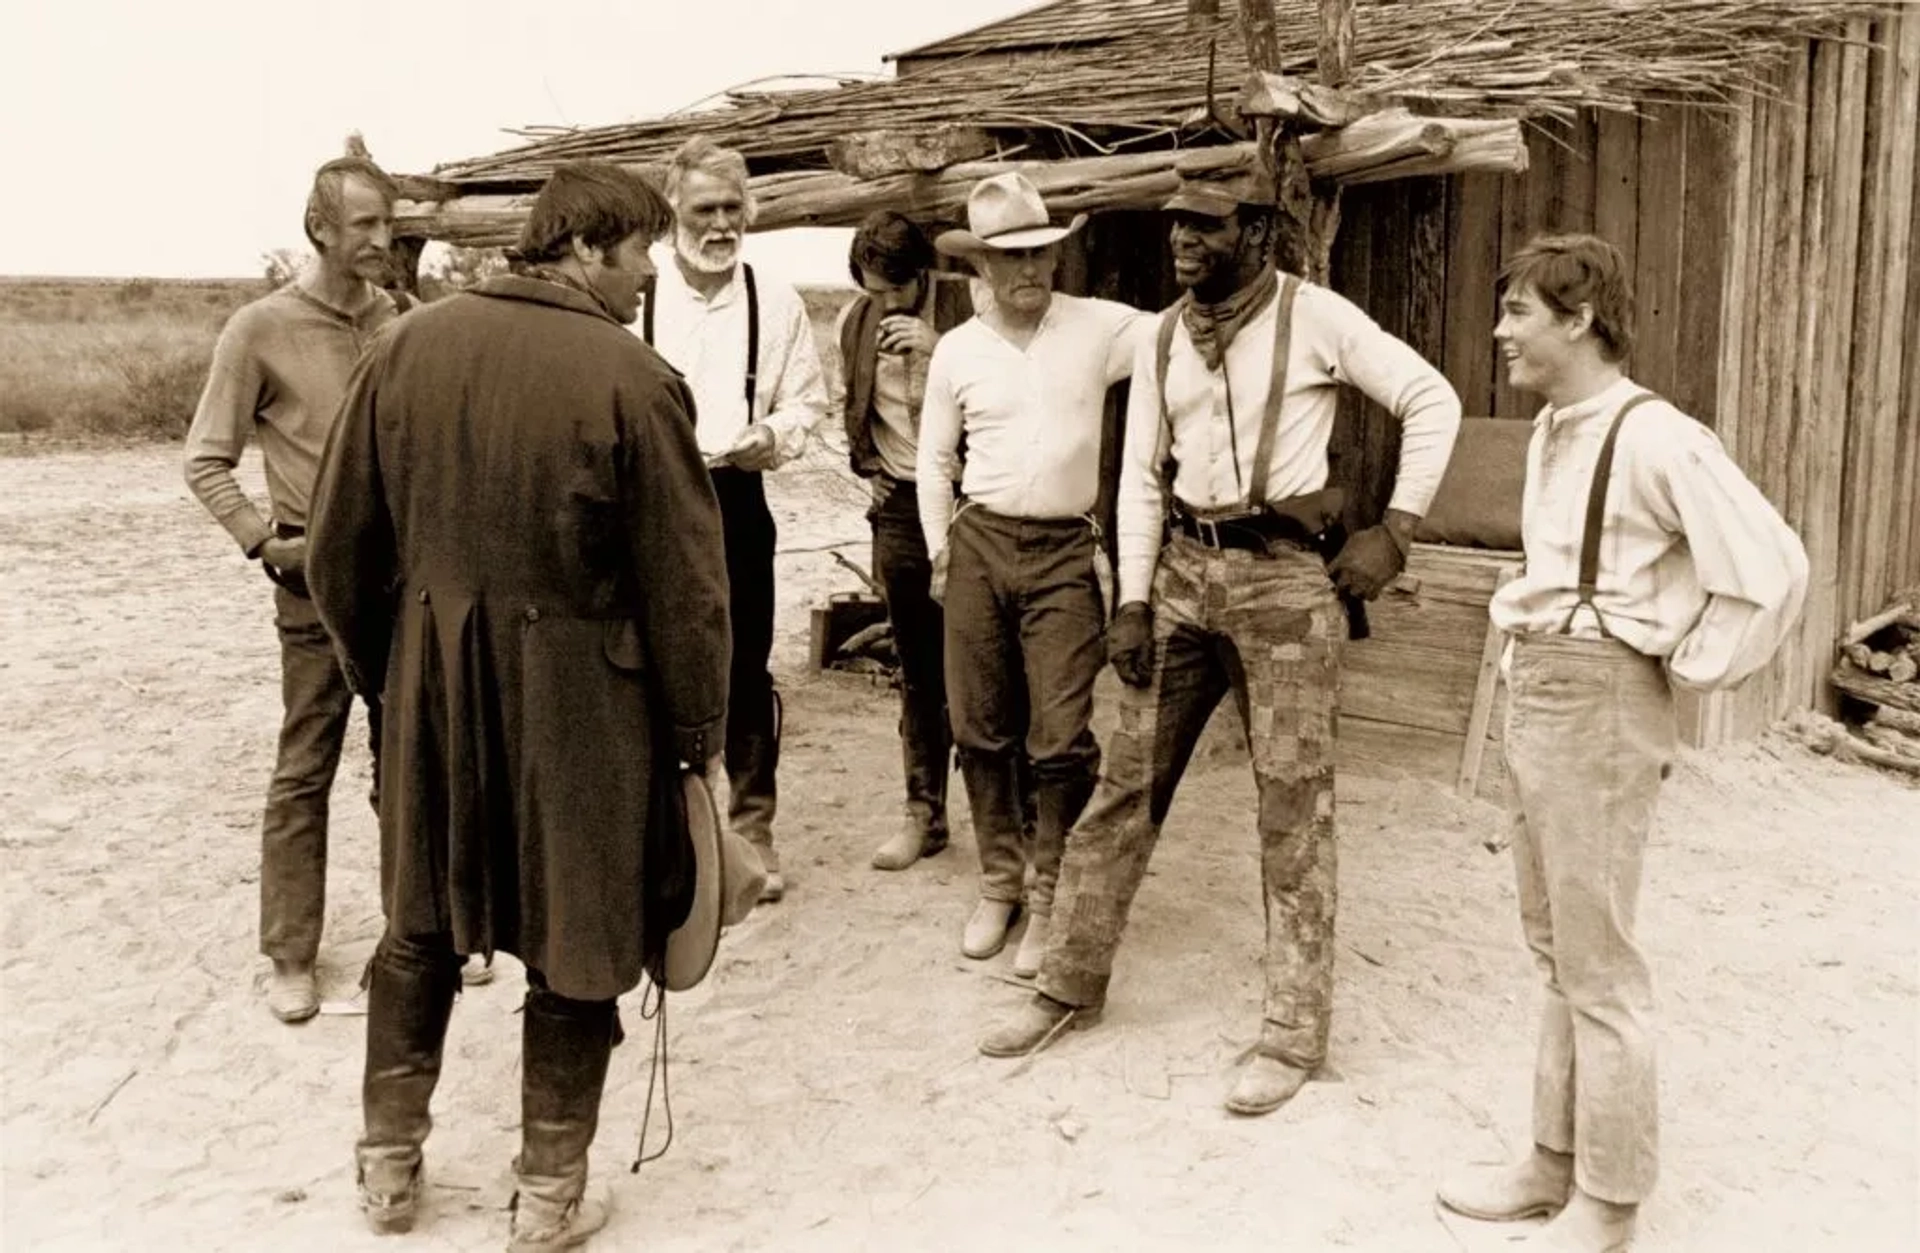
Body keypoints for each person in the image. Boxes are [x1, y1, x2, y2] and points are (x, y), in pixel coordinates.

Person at [977, 159, 1464, 1118]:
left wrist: (1395, 532)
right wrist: (1131, 600)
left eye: (1205, 227)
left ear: (1256, 233)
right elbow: (1142, 478)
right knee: (1124, 787)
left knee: (1293, 806)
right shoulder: (1164, 335)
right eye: (1175, 228)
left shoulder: (1317, 317)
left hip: (1286, 583)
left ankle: (1291, 1035)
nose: (1183, 244)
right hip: (1183, 582)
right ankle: (1068, 983)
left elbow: (1431, 400)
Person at [306, 161, 734, 1248]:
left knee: (418, 922)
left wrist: (391, 682)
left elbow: (336, 552)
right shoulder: (636, 378)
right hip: (584, 705)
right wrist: (695, 740)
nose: (649, 274)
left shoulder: (405, 346)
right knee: (580, 933)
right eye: (640, 250)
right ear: (586, 248)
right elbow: (688, 594)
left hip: (430, 690)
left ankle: (388, 1168)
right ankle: (547, 1196)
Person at [1435, 234, 1807, 1252]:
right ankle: (1552, 1161)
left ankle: (1611, 1200)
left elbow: (1770, 566)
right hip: (1543, 683)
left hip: (1600, 698)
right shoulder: (1558, 425)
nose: (1500, 330)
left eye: (1518, 311)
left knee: (1601, 967)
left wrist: (1686, 665)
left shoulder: (1661, 438)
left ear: (1578, 318)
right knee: (1557, 948)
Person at [183, 153, 406, 1023]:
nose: (384, 242)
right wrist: (262, 542)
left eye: (389, 225)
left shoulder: (400, 321)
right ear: (320, 230)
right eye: (366, 228)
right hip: (311, 591)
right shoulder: (259, 328)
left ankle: (415, 939)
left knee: (409, 766)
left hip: (399, 585)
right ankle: (289, 954)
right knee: (304, 767)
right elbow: (205, 460)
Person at [918, 172, 1149, 978]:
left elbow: (1185, 333)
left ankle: (1051, 894)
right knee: (979, 721)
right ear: (977, 264)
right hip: (977, 541)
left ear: (1057, 252)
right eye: (1007, 258)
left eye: (1040, 253)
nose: (1028, 271)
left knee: (1058, 733)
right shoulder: (957, 349)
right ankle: (999, 881)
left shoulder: (1099, 329)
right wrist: (939, 548)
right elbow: (934, 460)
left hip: (1062, 550)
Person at [639, 137, 829, 903]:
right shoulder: (640, 292)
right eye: (704, 209)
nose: (720, 226)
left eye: (731, 209)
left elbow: (809, 398)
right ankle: (661, 831)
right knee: (648, 663)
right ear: (673, 212)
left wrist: (774, 435)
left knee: (744, 667)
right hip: (653, 503)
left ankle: (753, 829)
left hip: (736, 499)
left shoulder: (772, 299)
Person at [837, 211, 975, 871]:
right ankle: (924, 813)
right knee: (919, 669)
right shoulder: (851, 323)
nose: (888, 303)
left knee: (986, 668)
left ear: (924, 272)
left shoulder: (972, 306)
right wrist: (871, 474)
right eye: (875, 290)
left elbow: (1012, 390)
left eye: (900, 287)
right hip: (898, 507)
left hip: (976, 506)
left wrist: (941, 345)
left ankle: (1016, 824)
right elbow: (851, 406)